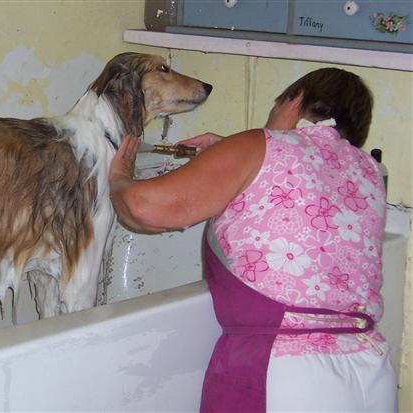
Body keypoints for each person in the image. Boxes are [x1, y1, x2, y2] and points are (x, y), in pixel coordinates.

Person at [108, 68, 397, 412]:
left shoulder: (261, 144)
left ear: (295, 100)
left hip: (290, 372)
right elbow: (294, 185)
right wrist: (230, 153)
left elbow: (142, 208)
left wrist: (119, 177)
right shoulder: (367, 171)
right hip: (370, 367)